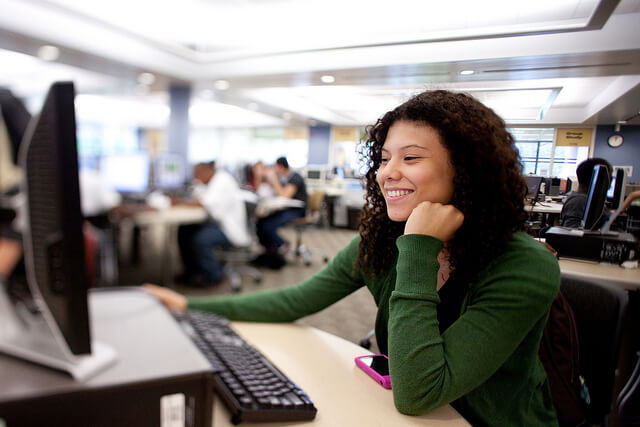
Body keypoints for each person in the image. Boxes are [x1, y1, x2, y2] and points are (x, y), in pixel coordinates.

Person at [145, 90, 560, 425]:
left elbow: (419, 393)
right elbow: (294, 301)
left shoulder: (522, 265)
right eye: (384, 158)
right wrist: (190, 304)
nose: (387, 173)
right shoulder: (381, 239)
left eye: (410, 158)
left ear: (466, 170)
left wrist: (418, 248)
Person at [173, 161, 251, 286]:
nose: (196, 179)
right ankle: (192, 272)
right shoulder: (213, 180)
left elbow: (204, 203)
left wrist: (179, 202)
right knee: (184, 230)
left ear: (206, 172)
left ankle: (214, 276)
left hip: (229, 229)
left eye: (197, 175)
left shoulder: (221, 180)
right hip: (218, 223)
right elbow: (200, 198)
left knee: (200, 239)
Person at [255, 156, 307, 262]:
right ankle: (270, 250)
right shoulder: (283, 178)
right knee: (261, 223)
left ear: (280, 167)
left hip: (296, 211)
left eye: (275, 168)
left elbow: (284, 195)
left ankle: (282, 244)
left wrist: (274, 179)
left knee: (268, 226)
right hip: (285, 209)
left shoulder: (295, 177)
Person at [559, 157, 612, 228]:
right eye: (609, 176)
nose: (611, 179)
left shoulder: (587, 199)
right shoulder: (579, 201)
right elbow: (571, 234)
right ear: (597, 178)